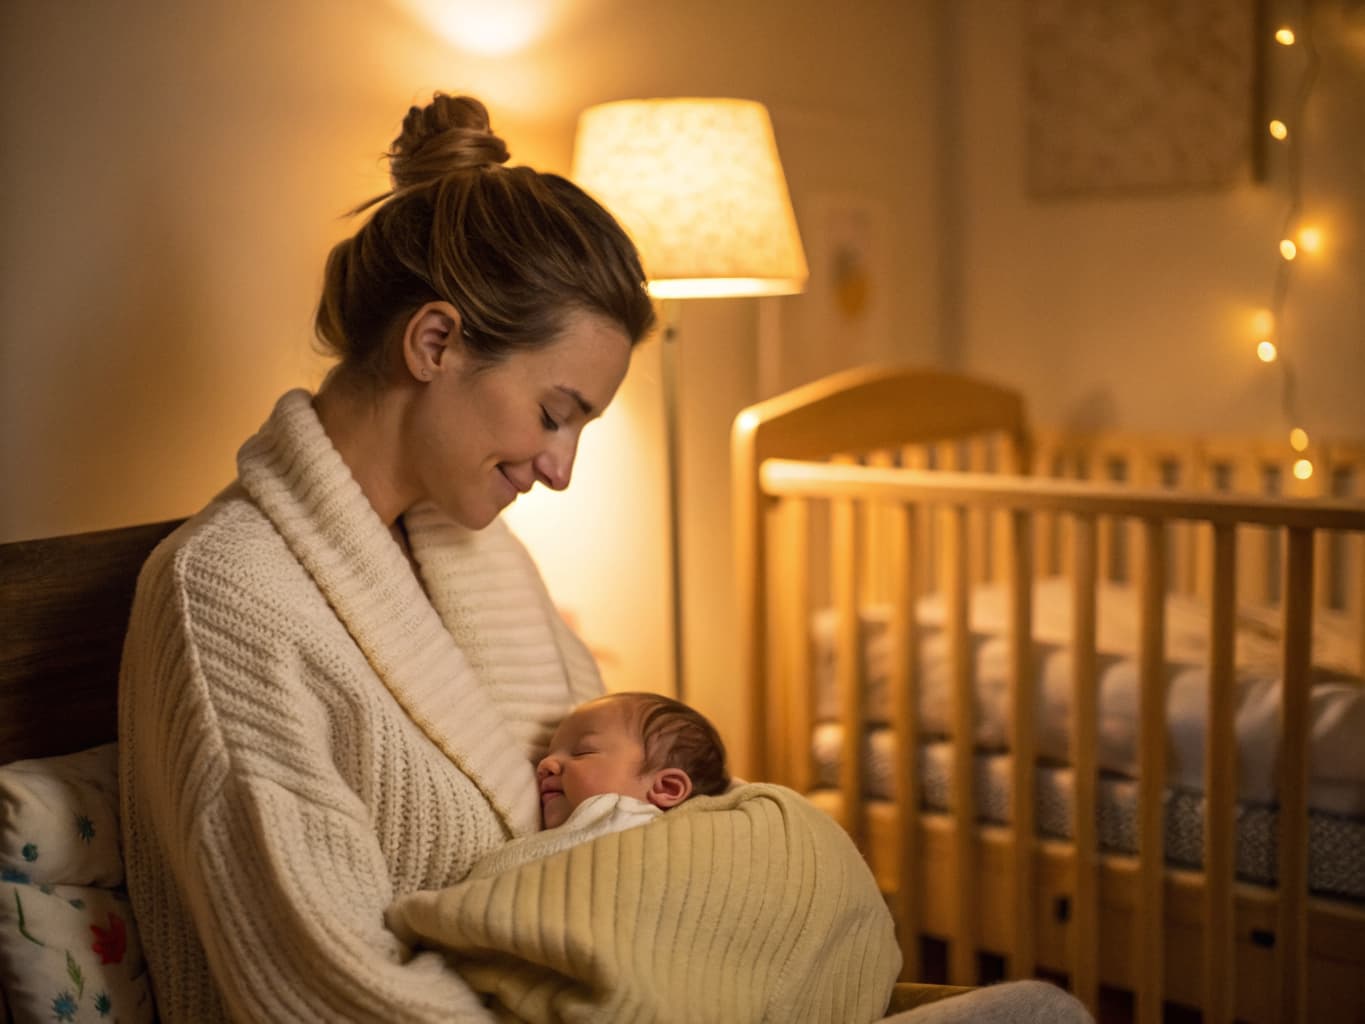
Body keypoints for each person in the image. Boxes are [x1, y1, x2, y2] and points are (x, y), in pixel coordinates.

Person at [118, 92, 655, 1022]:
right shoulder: (225, 596)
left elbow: (624, 838)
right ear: (435, 341)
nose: (562, 469)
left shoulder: (491, 567)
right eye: (555, 413)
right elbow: (320, 989)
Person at [460, 691, 730, 879]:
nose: (546, 764)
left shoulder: (627, 822)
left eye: (581, 752)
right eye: (548, 753)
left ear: (666, 789)